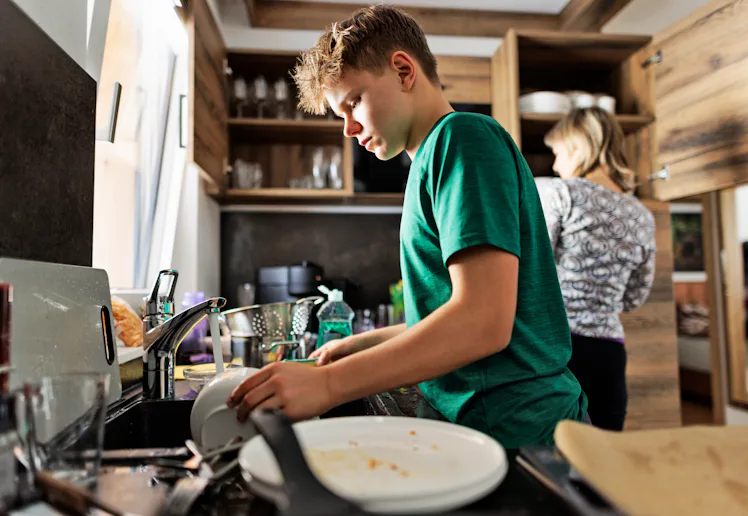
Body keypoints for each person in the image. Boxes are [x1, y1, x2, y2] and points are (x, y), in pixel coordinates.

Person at [227, 5, 587, 447]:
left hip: (518, 429)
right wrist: (365, 344)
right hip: (486, 422)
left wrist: (330, 384)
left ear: (402, 70)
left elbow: (484, 322)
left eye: (354, 101)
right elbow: (452, 312)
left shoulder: (462, 140)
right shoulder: (433, 159)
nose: (348, 128)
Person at [541, 107, 656, 431]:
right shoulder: (641, 214)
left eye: (557, 152)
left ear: (577, 146)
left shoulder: (563, 193)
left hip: (559, 347)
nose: (554, 164)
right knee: (605, 459)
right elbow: (634, 298)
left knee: (553, 460)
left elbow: (536, 269)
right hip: (609, 353)